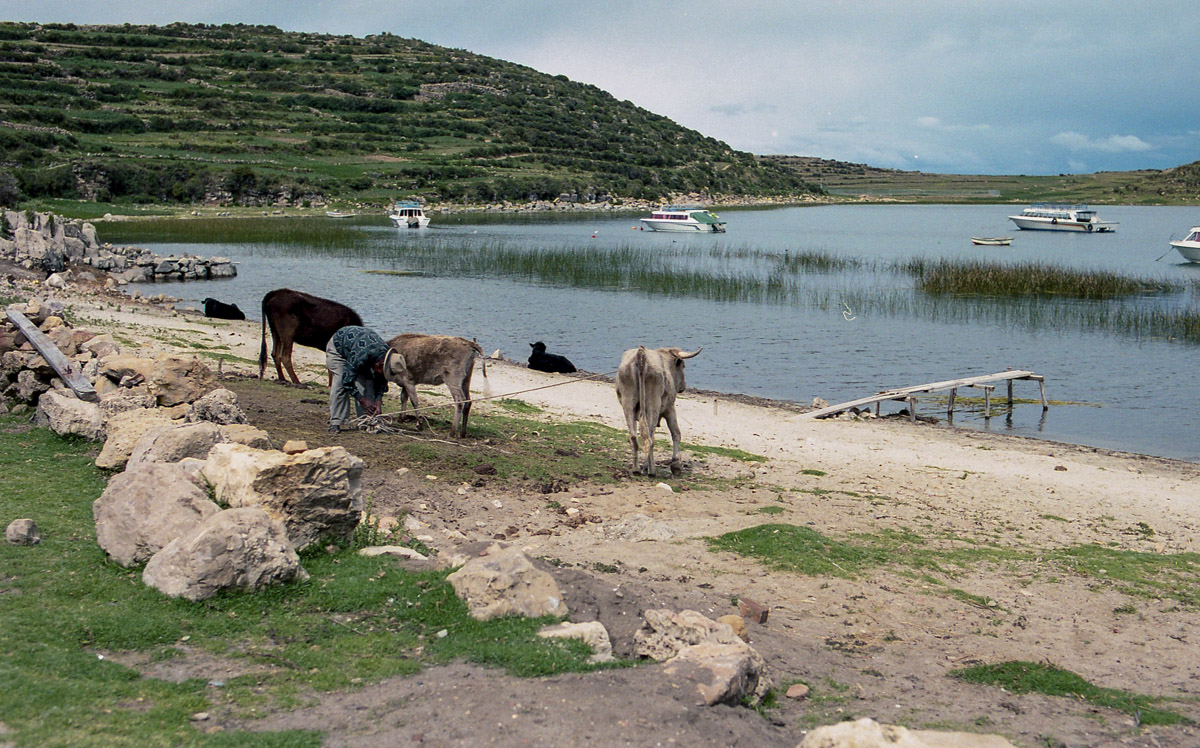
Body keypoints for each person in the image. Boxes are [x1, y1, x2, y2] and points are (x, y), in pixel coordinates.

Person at [325, 325, 407, 432]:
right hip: (338, 350)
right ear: (380, 364)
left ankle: (365, 421)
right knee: (340, 382)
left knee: (366, 384)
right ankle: (336, 422)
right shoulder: (361, 355)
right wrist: (363, 400)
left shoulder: (387, 360)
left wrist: (377, 401)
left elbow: (381, 381)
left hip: (357, 352)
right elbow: (347, 381)